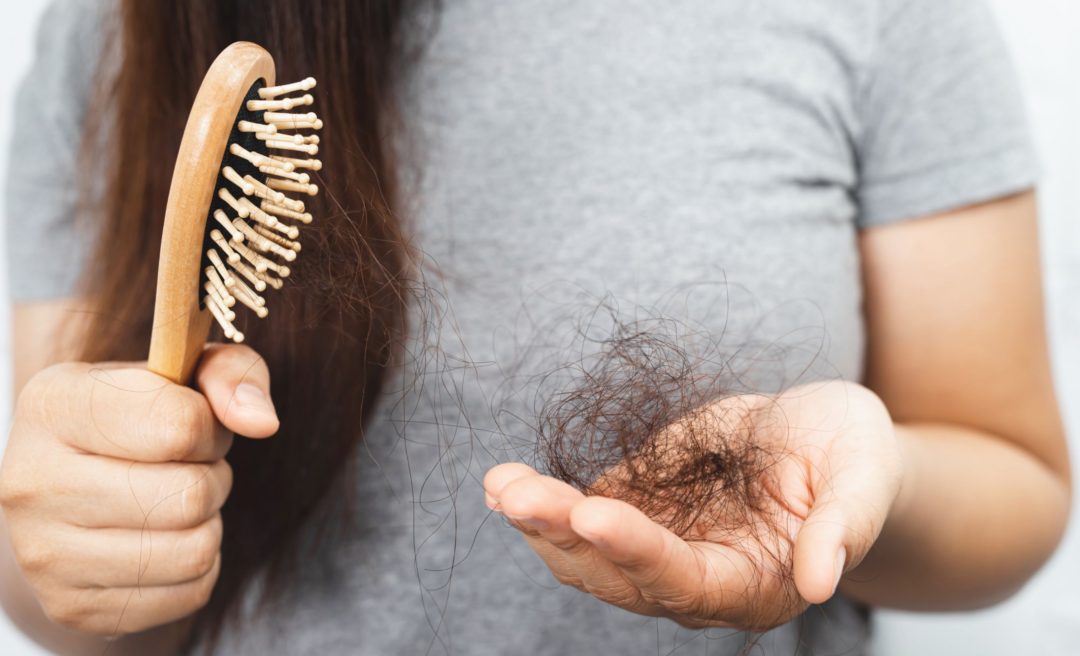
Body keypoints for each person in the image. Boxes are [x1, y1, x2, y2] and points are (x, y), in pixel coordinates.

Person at [0, 0, 1069, 654]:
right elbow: (72, 603)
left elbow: (1015, 481)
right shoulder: (112, 30)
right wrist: (61, 540)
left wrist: (862, 491)